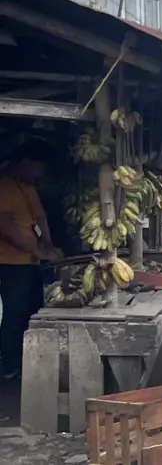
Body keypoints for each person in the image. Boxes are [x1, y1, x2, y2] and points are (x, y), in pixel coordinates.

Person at [0, 140, 62, 380]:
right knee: (15, 313)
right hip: (10, 262)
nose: (41, 174)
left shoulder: (27, 186)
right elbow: (6, 227)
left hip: (29, 261)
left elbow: (39, 218)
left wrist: (48, 244)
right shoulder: (5, 185)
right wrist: (38, 251)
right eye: (39, 169)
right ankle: (10, 365)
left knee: (32, 311)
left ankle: (27, 360)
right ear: (26, 163)